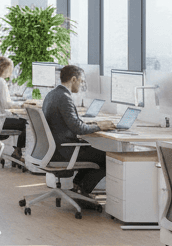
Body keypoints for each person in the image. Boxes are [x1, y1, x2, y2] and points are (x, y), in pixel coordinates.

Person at [42, 65, 117, 196]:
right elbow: (78, 128)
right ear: (73, 79)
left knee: (94, 153)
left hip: (53, 149)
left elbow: (72, 123)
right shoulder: (64, 97)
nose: (81, 85)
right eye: (81, 81)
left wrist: (94, 123)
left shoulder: (52, 94)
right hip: (64, 151)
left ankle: (78, 186)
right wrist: (100, 126)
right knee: (107, 157)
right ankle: (82, 190)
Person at [0, 56, 27, 155]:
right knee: (26, 123)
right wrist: (22, 105)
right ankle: (17, 151)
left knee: (20, 120)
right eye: (11, 68)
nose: (12, 71)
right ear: (6, 68)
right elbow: (6, 104)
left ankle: (17, 151)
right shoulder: (1, 82)